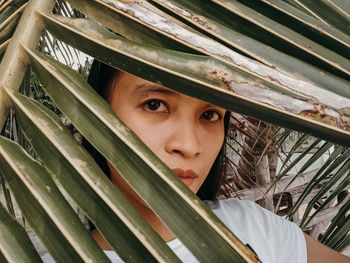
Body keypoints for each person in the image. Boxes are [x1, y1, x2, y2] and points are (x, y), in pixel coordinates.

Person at [43, 61, 349, 263]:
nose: (189, 146)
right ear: (95, 113)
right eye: (154, 104)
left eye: (210, 114)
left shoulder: (252, 228)